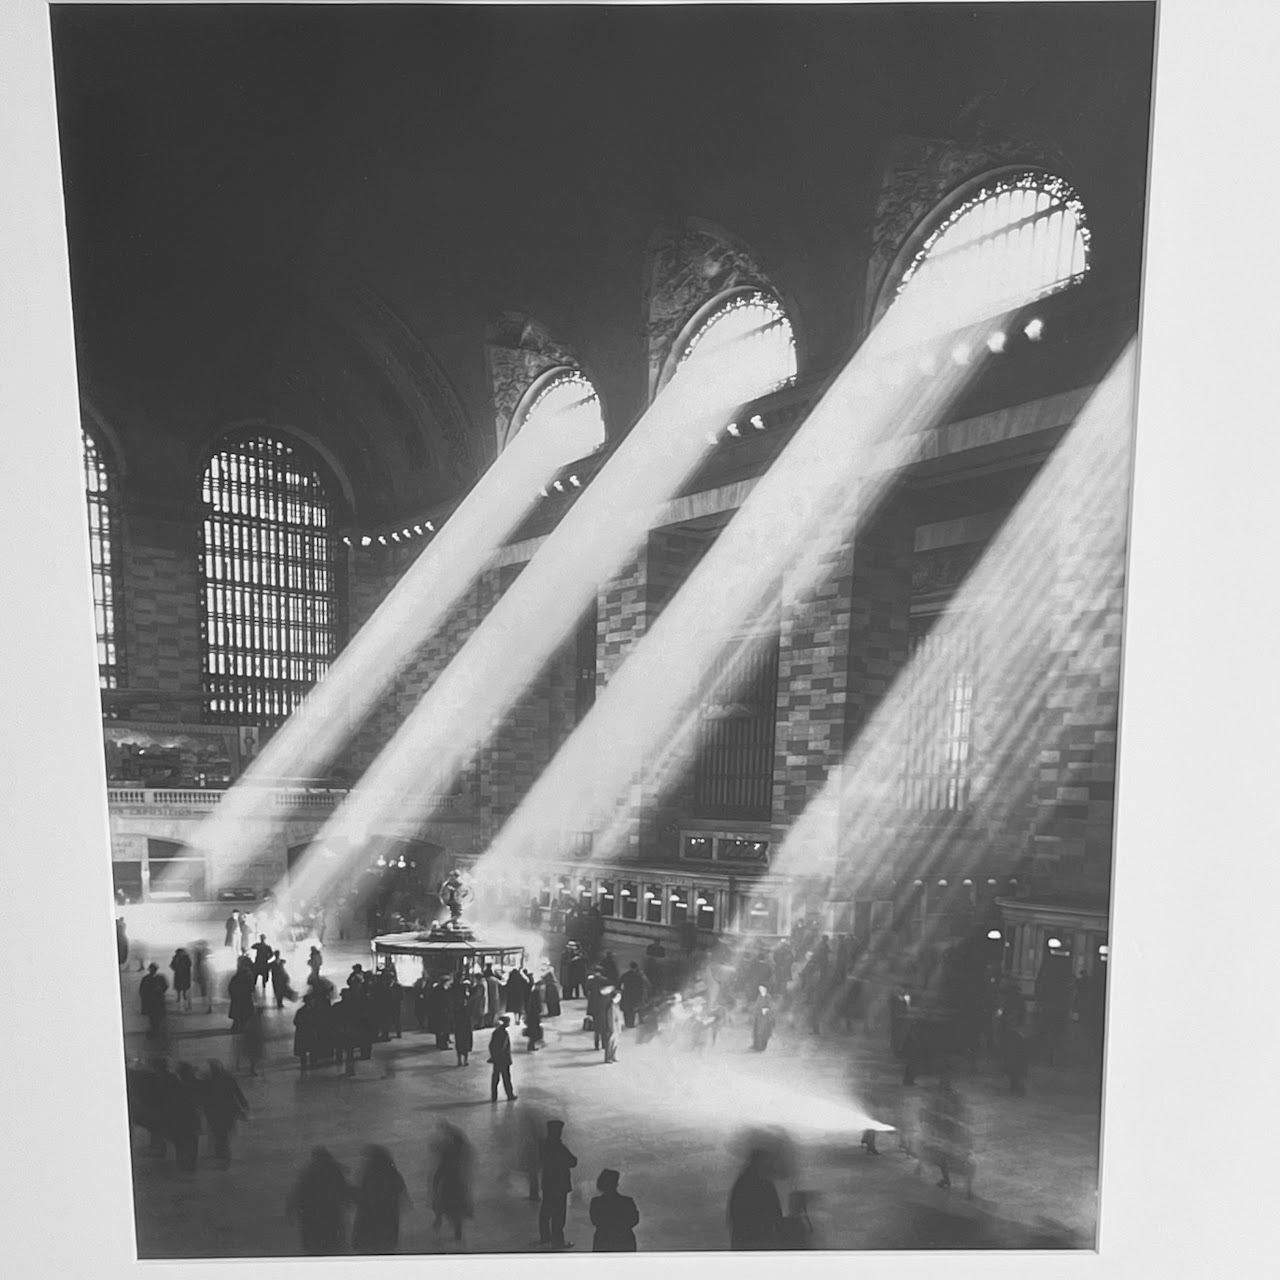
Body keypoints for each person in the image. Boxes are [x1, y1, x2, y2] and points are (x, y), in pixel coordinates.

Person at [286, 1147, 352, 1256]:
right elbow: (343, 1191)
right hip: (331, 1216)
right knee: (332, 1246)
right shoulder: (333, 1170)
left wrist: (291, 1211)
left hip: (313, 1217)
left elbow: (297, 1193)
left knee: (317, 1248)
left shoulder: (309, 1172)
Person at [353, 1145, 409, 1255]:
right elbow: (400, 1187)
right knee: (384, 1242)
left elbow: (365, 1193)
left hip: (372, 1211)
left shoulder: (371, 1171)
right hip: (388, 1211)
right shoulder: (391, 1171)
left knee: (373, 1241)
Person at [728, 1147, 784, 1249]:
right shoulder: (760, 1183)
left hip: (750, 1239)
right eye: (766, 1163)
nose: (770, 1166)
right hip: (755, 1239)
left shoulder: (746, 1182)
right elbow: (775, 1212)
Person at [431, 1124, 475, 1244]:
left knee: (445, 1201)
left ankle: (439, 1220)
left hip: (450, 1182)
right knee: (458, 1204)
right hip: (460, 1181)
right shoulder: (463, 1150)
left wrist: (435, 1180)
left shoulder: (448, 1151)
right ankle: (457, 1229)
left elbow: (442, 1167)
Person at [538, 1120, 578, 1249]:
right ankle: (558, 1240)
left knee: (546, 1210)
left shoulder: (543, 1145)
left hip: (548, 1182)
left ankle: (544, 1236)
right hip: (560, 1184)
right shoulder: (560, 1148)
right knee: (559, 1214)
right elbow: (573, 1162)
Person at [201, 1059, 248, 1165]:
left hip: (214, 1111)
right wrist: (243, 1104)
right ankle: (223, 1152)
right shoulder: (228, 1078)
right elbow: (237, 1093)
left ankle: (221, 1152)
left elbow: (203, 1098)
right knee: (224, 1132)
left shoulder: (207, 1080)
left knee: (218, 1132)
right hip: (227, 1110)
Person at [589, 1169, 639, 1252]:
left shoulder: (596, 1202)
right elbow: (634, 1220)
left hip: (603, 1239)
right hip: (625, 1239)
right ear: (616, 1184)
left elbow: (595, 1221)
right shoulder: (627, 1201)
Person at [488, 1016, 516, 1101]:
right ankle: (509, 1095)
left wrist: (493, 1056)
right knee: (506, 1078)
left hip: (496, 1059)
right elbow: (503, 1046)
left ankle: (494, 1096)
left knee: (495, 1077)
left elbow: (491, 1045)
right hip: (503, 1059)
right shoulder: (504, 1033)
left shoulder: (496, 1032)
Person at [227, 955, 257, 1034]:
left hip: (240, 996)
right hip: (242, 996)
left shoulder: (244, 973)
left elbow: (234, 984)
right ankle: (240, 1026)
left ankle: (238, 1026)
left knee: (239, 1013)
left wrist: (233, 992)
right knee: (242, 1013)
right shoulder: (246, 973)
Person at [139, 963, 169, 1040]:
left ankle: (155, 1029)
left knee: (155, 1016)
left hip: (154, 1001)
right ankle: (156, 1029)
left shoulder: (146, 978)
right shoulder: (160, 978)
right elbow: (165, 986)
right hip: (154, 1000)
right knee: (154, 1016)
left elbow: (142, 990)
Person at [619, 962, 647, 1029]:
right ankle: (631, 1024)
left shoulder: (625, 975)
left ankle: (626, 1023)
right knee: (632, 1010)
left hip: (626, 994)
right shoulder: (638, 976)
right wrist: (641, 996)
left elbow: (619, 984)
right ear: (636, 967)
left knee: (626, 1010)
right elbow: (641, 987)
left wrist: (621, 991)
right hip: (634, 995)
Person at [453, 983, 475, 1066]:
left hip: (465, 1024)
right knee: (461, 1041)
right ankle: (461, 1059)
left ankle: (464, 1059)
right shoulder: (460, 1002)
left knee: (464, 1042)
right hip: (462, 1023)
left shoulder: (468, 1000)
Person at [750, 986, 775, 1052]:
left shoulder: (768, 997)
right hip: (758, 1016)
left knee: (764, 1031)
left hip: (765, 1017)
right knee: (757, 1031)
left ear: (765, 989)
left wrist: (766, 1009)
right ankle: (756, 1045)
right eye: (760, 988)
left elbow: (770, 1006)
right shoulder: (759, 996)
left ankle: (762, 1047)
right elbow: (757, 1005)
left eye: (762, 988)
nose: (760, 989)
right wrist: (755, 1011)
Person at [600, 986, 621, 1064]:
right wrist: (611, 1027)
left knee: (615, 1042)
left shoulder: (615, 1005)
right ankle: (608, 1057)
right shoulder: (611, 1006)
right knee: (611, 1041)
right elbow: (611, 1018)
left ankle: (613, 1056)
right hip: (612, 1026)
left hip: (616, 1025)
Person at [192, 940, 213, 1013]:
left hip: (204, 974)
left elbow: (197, 966)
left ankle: (207, 1005)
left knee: (205, 990)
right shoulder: (207, 953)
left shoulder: (200, 955)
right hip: (205, 974)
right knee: (206, 990)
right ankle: (208, 1006)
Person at [524, 979, 544, 1052]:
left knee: (533, 1031)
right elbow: (537, 1004)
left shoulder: (532, 992)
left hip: (531, 1015)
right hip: (534, 1015)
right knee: (534, 1031)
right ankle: (531, 1046)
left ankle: (531, 1045)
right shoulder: (536, 993)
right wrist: (540, 1011)